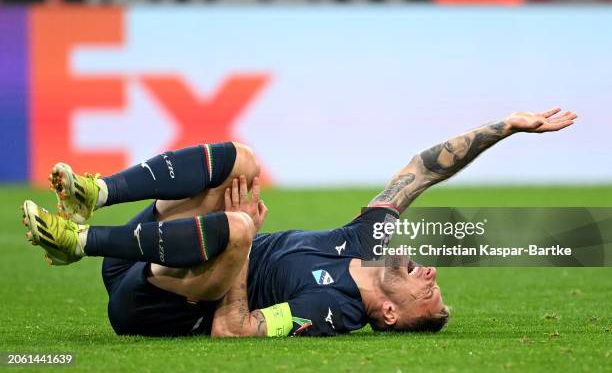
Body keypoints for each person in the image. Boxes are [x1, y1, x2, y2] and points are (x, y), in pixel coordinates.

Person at [21, 108, 576, 337]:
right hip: (151, 245)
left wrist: (243, 245)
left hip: (158, 297)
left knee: (237, 229)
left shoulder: (332, 311)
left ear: (388, 312)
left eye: (429, 294)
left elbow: (234, 329)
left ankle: (81, 242)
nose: (431, 272)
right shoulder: (371, 238)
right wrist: (506, 127)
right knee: (242, 159)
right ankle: (98, 193)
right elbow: (421, 171)